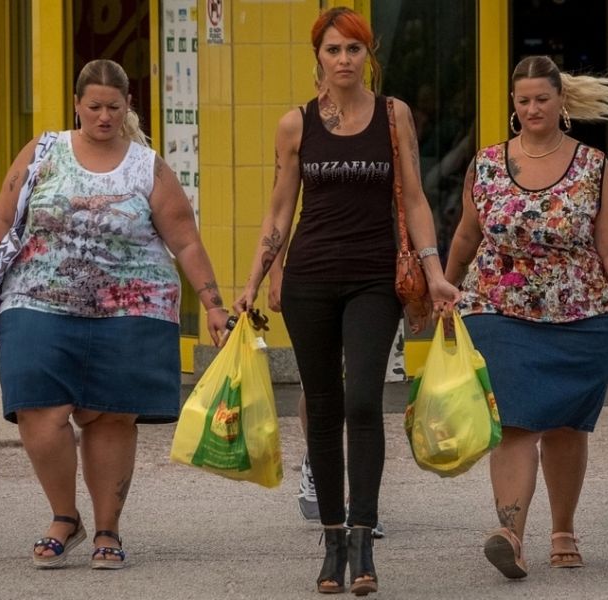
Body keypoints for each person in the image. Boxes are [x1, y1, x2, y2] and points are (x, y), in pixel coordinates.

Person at [0, 59, 228, 570]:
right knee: (37, 409)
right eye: (95, 106)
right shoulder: (44, 152)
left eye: (114, 107)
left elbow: (186, 241)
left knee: (110, 415)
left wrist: (213, 304)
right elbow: (1, 217)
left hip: (130, 308)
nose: (104, 116)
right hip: (37, 300)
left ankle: (108, 529)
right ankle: (65, 516)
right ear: (77, 105)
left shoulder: (148, 166)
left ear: (127, 106)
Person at [233, 7, 459, 595]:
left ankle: (363, 540)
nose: (343, 60)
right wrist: (256, 279)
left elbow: (414, 199)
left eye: (353, 49)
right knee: (324, 407)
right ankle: (332, 541)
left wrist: (434, 273)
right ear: (318, 56)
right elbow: (280, 209)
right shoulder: (296, 124)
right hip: (309, 279)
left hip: (373, 279)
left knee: (362, 400)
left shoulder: (393, 115)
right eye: (333, 50)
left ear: (368, 54)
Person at [444, 55, 608, 580]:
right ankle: (511, 536)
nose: (533, 108)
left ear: (561, 101)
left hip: (584, 316)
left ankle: (563, 531)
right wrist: (444, 290)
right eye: (524, 101)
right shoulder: (486, 164)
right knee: (514, 422)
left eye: (542, 98)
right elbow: (467, 235)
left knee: (565, 426)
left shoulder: (593, 167)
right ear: (513, 106)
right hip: (499, 311)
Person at [268, 254, 385, 538]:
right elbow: (275, 226)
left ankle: (360, 508)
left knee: (363, 394)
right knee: (319, 389)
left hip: (372, 274)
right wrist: (274, 273)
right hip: (315, 274)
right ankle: (316, 457)